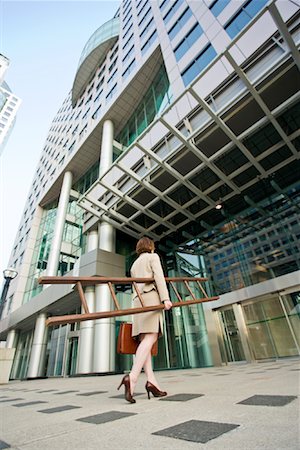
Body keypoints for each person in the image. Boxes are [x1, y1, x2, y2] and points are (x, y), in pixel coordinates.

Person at [118, 237, 172, 403]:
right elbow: (159, 278)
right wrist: (165, 299)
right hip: (151, 299)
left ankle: (152, 382)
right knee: (150, 338)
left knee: (145, 343)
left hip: (137, 302)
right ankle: (132, 377)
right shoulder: (153, 257)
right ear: (151, 247)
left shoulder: (134, 264)